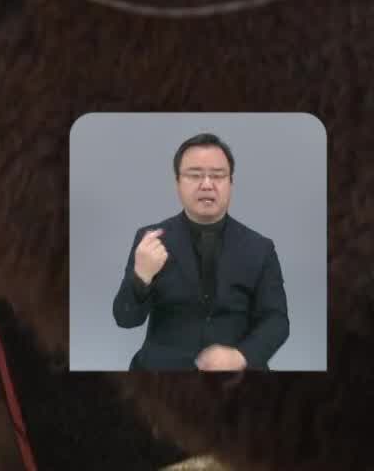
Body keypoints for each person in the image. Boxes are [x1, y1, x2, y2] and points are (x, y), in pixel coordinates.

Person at [111, 132, 290, 371]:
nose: (207, 184)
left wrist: (241, 357)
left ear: (231, 183)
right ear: (177, 183)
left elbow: (276, 320)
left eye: (218, 175)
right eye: (194, 175)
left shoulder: (260, 247)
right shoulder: (150, 240)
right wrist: (141, 277)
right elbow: (125, 319)